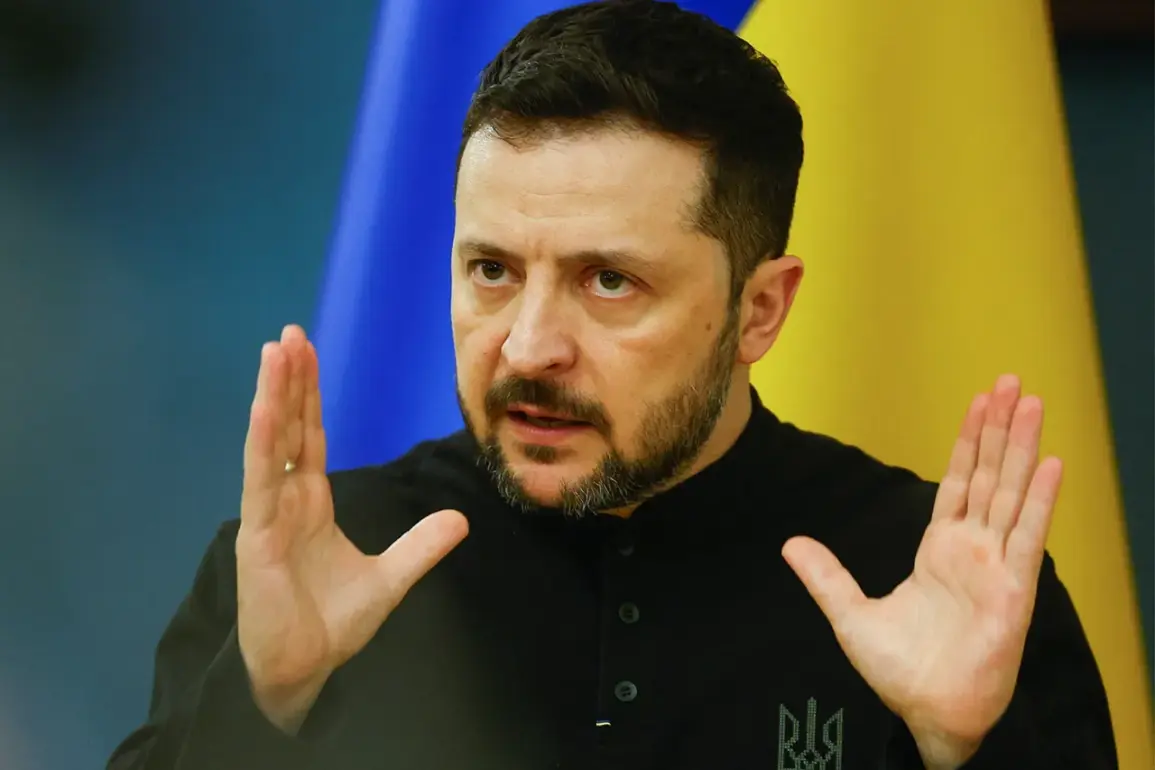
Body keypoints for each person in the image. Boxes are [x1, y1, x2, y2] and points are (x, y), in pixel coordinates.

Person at [106, 2, 1117, 768]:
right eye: (491, 270)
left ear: (760, 310)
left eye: (608, 281)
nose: (528, 347)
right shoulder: (316, 564)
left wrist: (966, 749)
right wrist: (265, 701)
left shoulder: (936, 582)